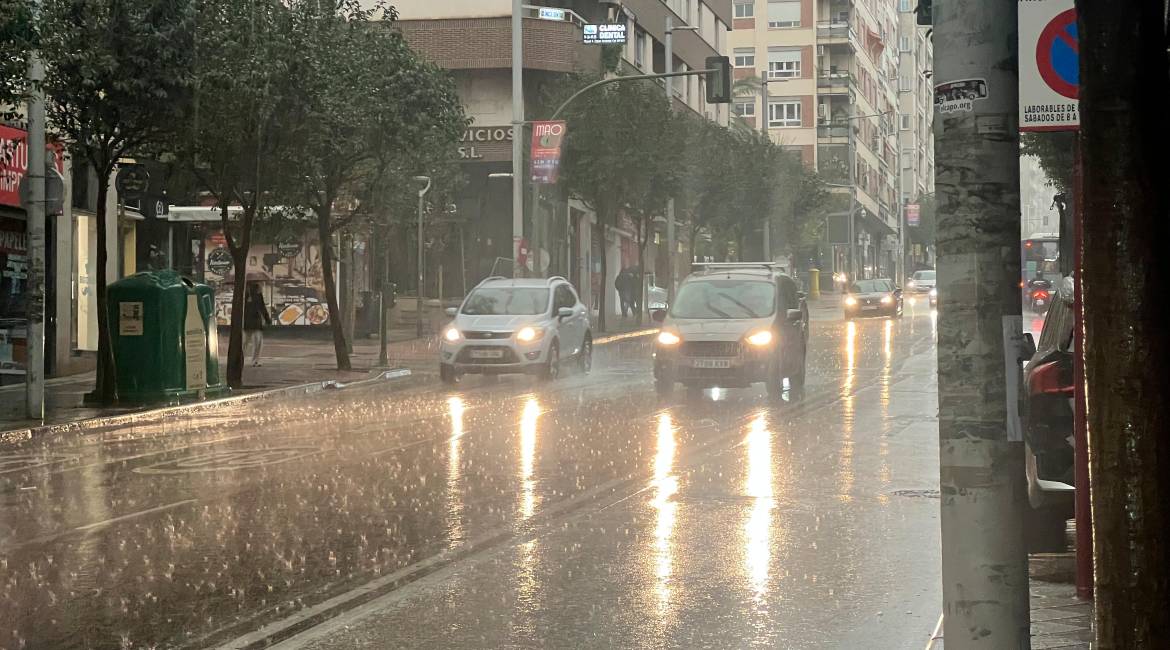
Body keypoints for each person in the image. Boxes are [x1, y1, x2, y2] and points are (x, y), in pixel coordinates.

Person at [243, 283, 272, 367]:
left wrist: (267, 318)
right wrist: (267, 319)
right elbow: (262, 307)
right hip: (248, 320)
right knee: (246, 341)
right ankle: (245, 360)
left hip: (253, 320)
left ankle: (255, 360)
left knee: (256, 341)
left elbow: (262, 306)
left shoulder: (257, 292)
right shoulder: (243, 292)